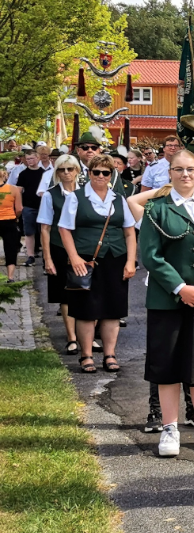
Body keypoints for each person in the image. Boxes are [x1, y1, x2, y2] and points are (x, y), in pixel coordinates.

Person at [128, 149, 194, 458]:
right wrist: (181, 288)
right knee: (166, 364)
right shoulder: (155, 209)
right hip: (166, 297)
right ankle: (169, 427)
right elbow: (150, 255)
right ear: (169, 174)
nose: (186, 175)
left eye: (191, 169)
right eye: (178, 169)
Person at [58, 155, 137, 374]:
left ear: (112, 175)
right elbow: (64, 229)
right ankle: (86, 355)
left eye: (106, 173)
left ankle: (110, 354)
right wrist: (73, 258)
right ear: (89, 173)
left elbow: (129, 232)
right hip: (86, 259)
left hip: (116, 258)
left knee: (113, 309)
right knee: (86, 309)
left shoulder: (119, 199)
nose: (101, 176)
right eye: (96, 172)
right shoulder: (76, 198)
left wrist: (131, 261)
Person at [38, 155, 81, 353]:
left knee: (87, 292)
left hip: (84, 247)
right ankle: (72, 338)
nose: (66, 173)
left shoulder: (86, 193)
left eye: (70, 169)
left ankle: (86, 336)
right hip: (58, 247)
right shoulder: (50, 195)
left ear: (77, 171)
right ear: (56, 172)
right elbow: (45, 228)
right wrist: (47, 258)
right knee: (65, 294)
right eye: (62, 169)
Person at [10, 148, 46, 266]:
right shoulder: (23, 174)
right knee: (29, 232)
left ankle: (46, 256)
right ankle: (30, 255)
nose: (30, 161)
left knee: (43, 232)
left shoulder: (44, 173)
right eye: (28, 158)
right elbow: (19, 191)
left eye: (32, 158)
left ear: (38, 158)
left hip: (43, 206)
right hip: (28, 206)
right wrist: (19, 206)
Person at [0, 168, 23, 280]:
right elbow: (19, 208)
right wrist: (16, 217)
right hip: (9, 221)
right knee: (10, 249)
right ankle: (10, 277)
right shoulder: (13, 189)